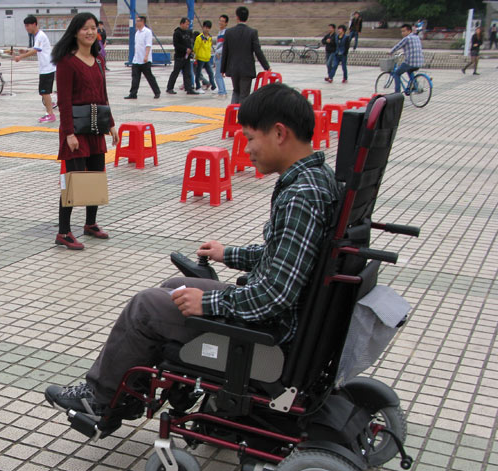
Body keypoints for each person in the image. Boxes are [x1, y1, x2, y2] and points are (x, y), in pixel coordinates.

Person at [44, 83, 341, 418]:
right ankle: (130, 392)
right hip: (280, 316)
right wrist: (230, 254)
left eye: (250, 137)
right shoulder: (316, 179)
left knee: (145, 306)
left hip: (270, 329)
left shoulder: (301, 194)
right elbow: (288, 257)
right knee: (174, 287)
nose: (246, 147)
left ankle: (100, 397)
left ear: (279, 133)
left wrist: (209, 303)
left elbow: (274, 294)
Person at [52, 12, 118, 251]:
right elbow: (65, 101)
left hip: (95, 127)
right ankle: (63, 232)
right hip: (76, 131)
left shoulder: (99, 60)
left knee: (96, 175)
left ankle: (90, 224)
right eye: (85, 28)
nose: (91, 32)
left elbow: (103, 96)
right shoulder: (67, 62)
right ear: (76, 32)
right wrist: (68, 133)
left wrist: (111, 123)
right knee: (72, 181)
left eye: (94, 28)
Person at [220, 6, 270, 104]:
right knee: (244, 94)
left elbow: (225, 51)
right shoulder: (252, 32)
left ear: (237, 17)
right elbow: (258, 51)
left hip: (233, 68)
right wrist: (266, 67)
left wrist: (223, 69)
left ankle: (233, 114)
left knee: (236, 91)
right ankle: (242, 117)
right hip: (246, 69)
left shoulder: (229, 32)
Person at [13, 15, 57, 123]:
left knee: (44, 92)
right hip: (46, 67)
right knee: (44, 92)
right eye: (25, 26)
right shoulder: (37, 36)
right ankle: (50, 105)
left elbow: (35, 50)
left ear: (34, 24)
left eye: (28, 26)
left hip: (47, 68)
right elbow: (36, 49)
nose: (26, 28)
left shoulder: (40, 36)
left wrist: (20, 57)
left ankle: (50, 114)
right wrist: (25, 51)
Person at [125, 15, 160, 100]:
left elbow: (148, 45)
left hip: (145, 60)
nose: (136, 23)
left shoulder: (147, 32)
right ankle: (133, 93)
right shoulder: (137, 33)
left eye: (138, 21)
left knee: (149, 77)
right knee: (135, 77)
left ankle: (157, 92)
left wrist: (146, 56)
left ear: (142, 22)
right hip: (136, 60)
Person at [389, 24, 424, 93]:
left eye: (404, 31)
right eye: (401, 31)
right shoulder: (416, 37)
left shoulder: (406, 38)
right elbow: (413, 48)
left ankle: (397, 93)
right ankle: (415, 85)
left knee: (396, 74)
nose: (402, 33)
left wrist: (390, 52)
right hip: (419, 62)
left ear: (409, 31)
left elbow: (398, 46)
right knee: (409, 70)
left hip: (410, 62)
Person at [166, 17, 197, 95]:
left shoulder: (189, 32)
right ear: (182, 24)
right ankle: (169, 88)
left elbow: (190, 42)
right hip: (179, 57)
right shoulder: (177, 33)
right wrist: (185, 49)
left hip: (187, 57)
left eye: (188, 25)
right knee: (175, 73)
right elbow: (176, 44)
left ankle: (189, 88)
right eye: (186, 24)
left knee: (187, 73)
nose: (187, 26)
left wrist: (191, 49)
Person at [193, 21, 217, 92]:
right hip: (200, 58)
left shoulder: (209, 38)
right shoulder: (199, 38)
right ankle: (198, 87)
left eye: (208, 28)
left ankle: (214, 86)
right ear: (203, 27)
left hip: (207, 58)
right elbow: (196, 48)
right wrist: (196, 57)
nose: (207, 29)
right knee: (198, 73)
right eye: (206, 27)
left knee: (210, 73)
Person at [212, 15, 229, 96]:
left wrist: (218, 52)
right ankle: (222, 90)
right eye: (220, 21)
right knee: (218, 75)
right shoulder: (220, 32)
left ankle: (221, 91)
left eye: (223, 21)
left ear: (226, 23)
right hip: (218, 54)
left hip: (220, 55)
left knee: (218, 75)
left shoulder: (226, 32)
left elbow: (225, 45)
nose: (221, 23)